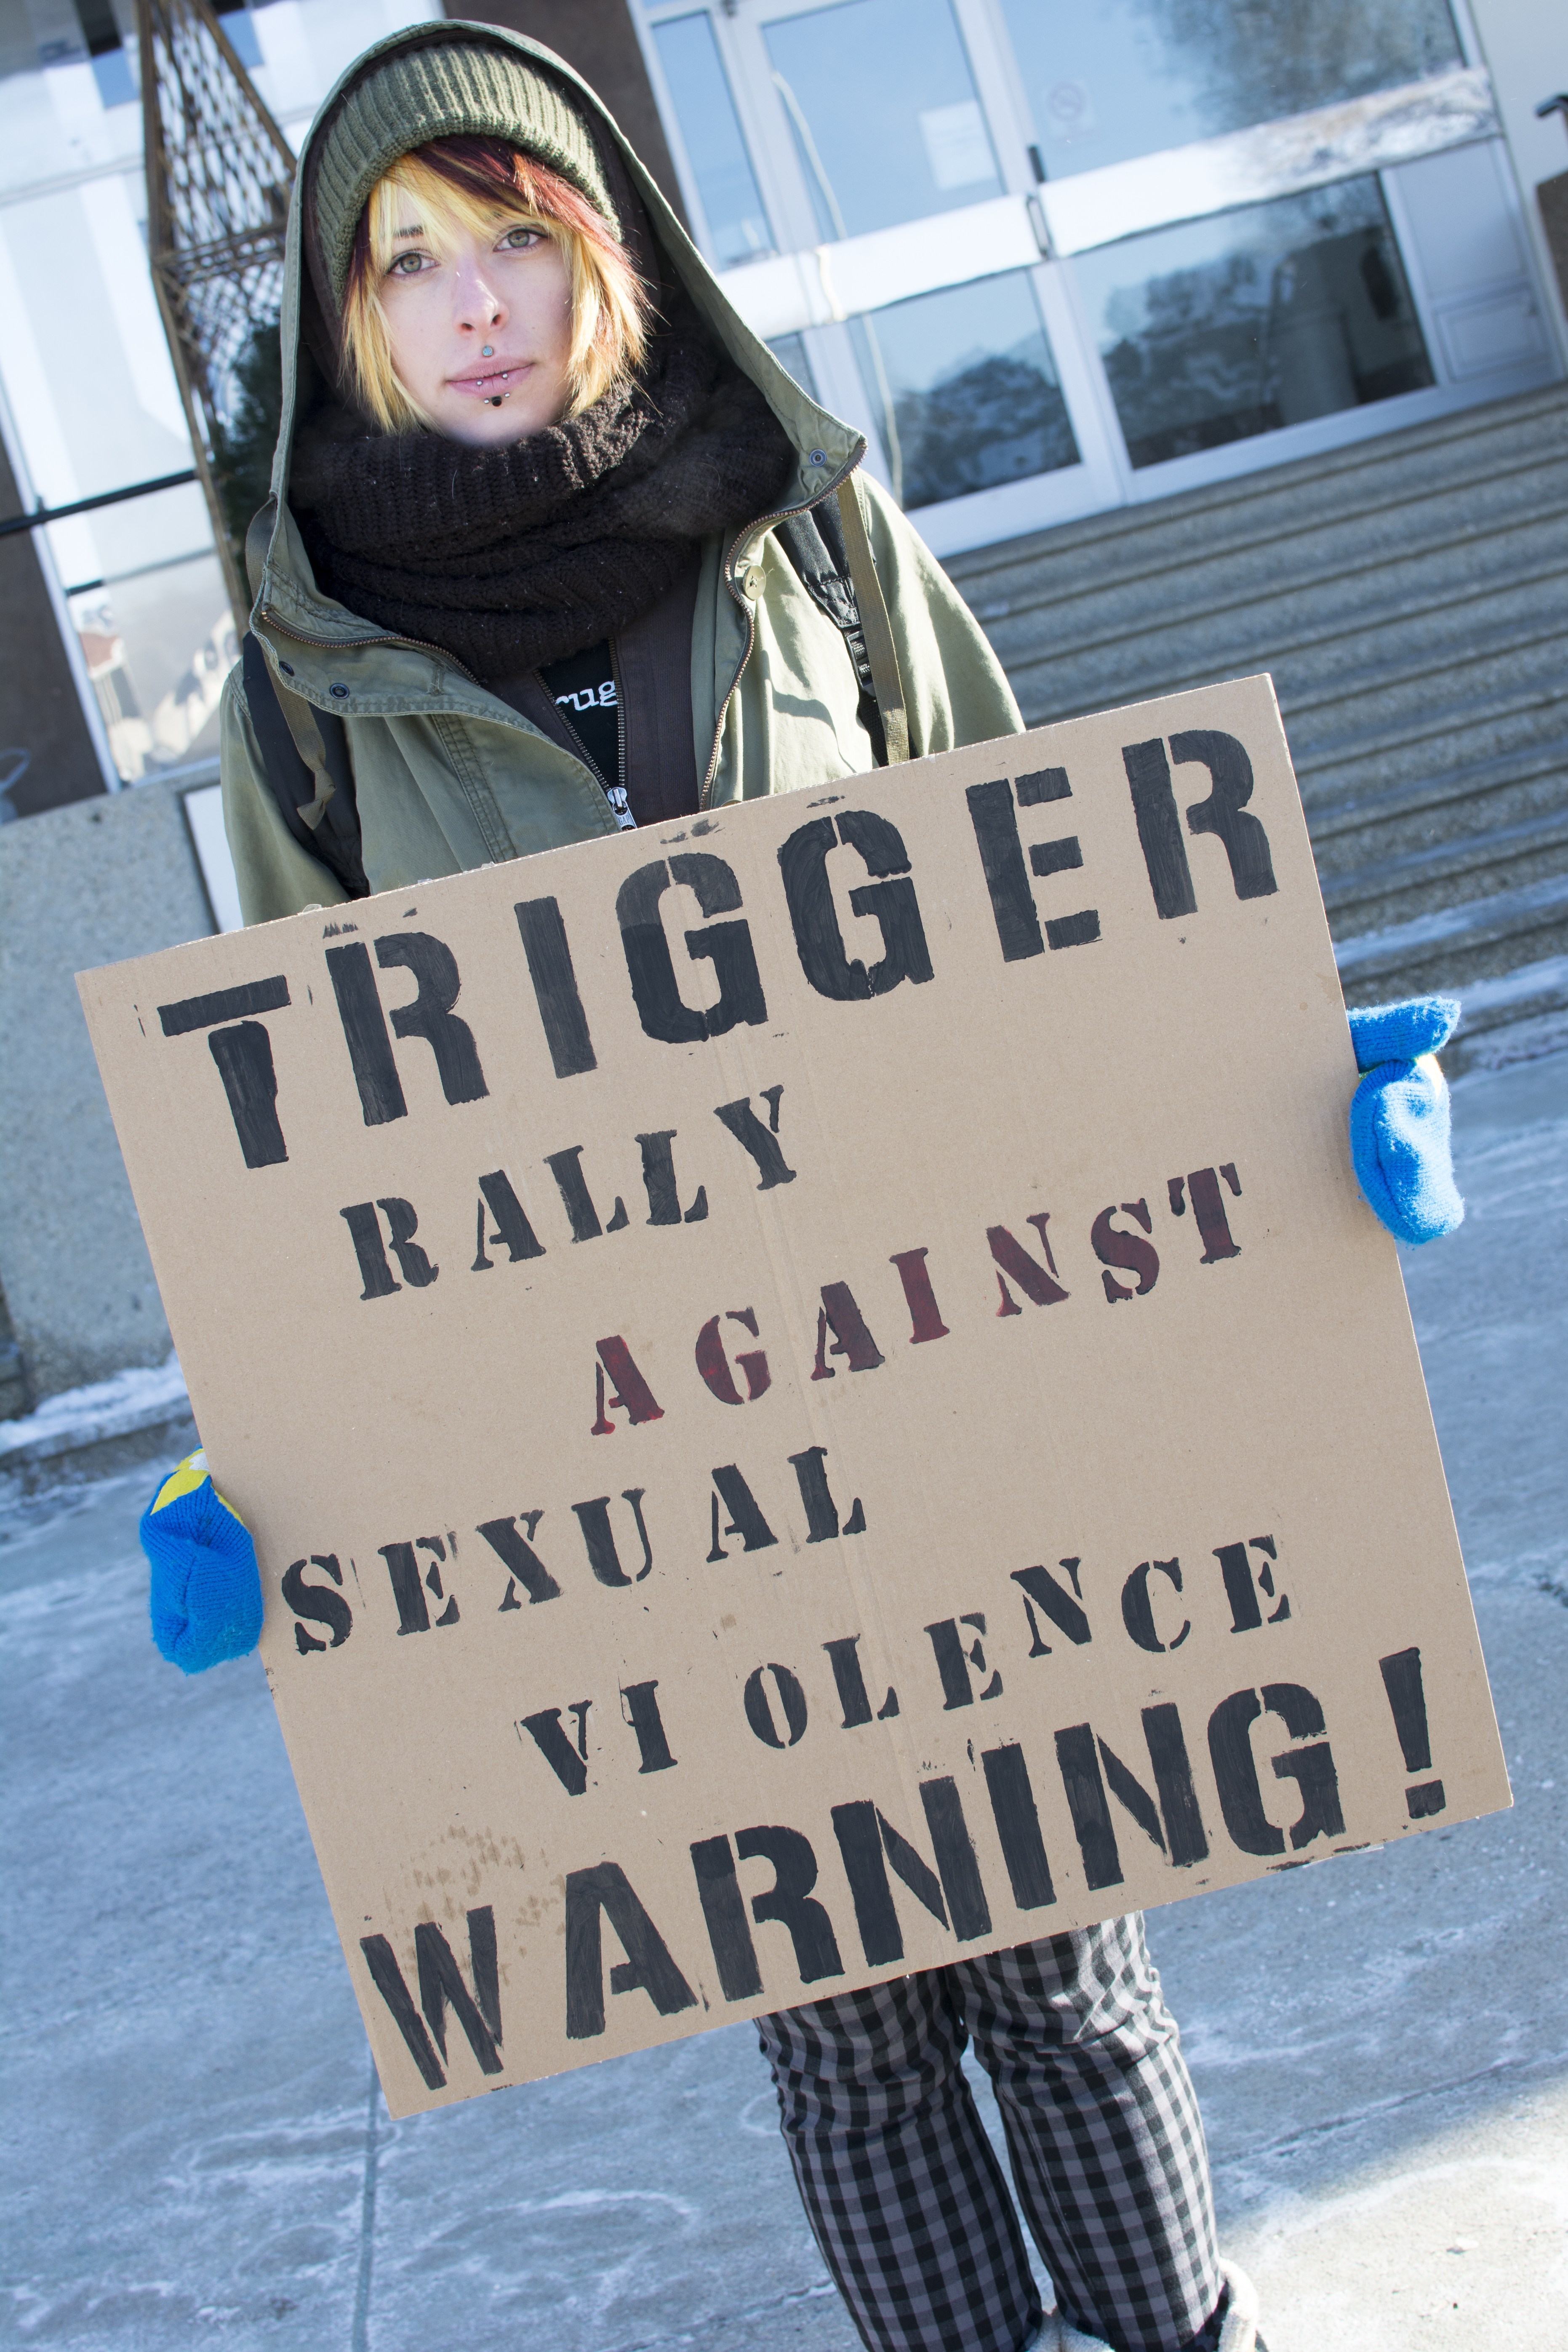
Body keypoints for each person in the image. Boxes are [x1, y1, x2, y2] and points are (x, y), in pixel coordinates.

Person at [142, 24, 1466, 2352]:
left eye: (517, 244)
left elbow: (1044, 891)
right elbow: (314, 1141)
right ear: (352, 315)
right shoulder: (305, 697)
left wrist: (1274, 1100)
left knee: (1058, 1936)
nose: (471, 305)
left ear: (606, 262)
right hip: (638, 1459)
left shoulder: (809, 539)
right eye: (411, 262)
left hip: (958, 1355)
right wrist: (259, 1446)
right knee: (835, 2015)